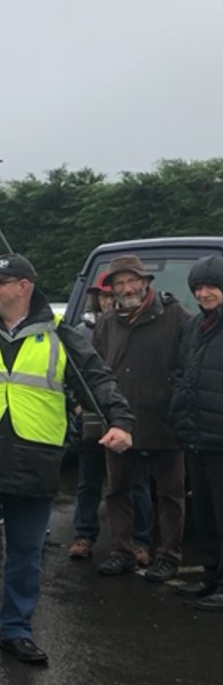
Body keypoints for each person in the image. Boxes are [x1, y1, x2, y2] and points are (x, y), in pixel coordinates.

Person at [0, 254, 134, 665]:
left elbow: (97, 377)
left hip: (33, 459)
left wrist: (121, 419)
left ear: (24, 287)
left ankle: (16, 629)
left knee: (25, 552)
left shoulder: (60, 334)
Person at [92, 255, 189, 581]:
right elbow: (95, 370)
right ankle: (122, 551)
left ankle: (169, 556)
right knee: (117, 490)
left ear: (146, 282)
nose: (126, 288)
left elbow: (190, 364)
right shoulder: (106, 322)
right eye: (119, 283)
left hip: (164, 420)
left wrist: (176, 399)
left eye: (132, 280)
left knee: (170, 493)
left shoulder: (175, 315)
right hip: (120, 422)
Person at [70, 270, 153, 560]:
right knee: (88, 480)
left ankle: (140, 541)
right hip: (93, 418)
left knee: (136, 482)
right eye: (103, 294)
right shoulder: (81, 331)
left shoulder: (134, 326)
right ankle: (84, 535)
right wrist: (77, 405)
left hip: (127, 417)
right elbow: (72, 374)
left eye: (111, 294)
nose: (108, 299)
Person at [171, 255, 223, 611]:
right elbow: (182, 370)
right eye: (198, 288)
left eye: (211, 286)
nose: (204, 293)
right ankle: (210, 576)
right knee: (204, 512)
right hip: (197, 435)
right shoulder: (194, 327)